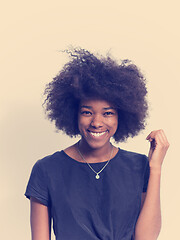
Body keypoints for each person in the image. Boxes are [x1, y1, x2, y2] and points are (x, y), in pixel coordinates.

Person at [25, 48, 169, 240]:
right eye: (87, 112)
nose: (97, 122)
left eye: (107, 113)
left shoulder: (138, 166)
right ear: (73, 114)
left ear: (121, 116)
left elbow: (146, 238)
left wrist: (155, 168)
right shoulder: (47, 169)